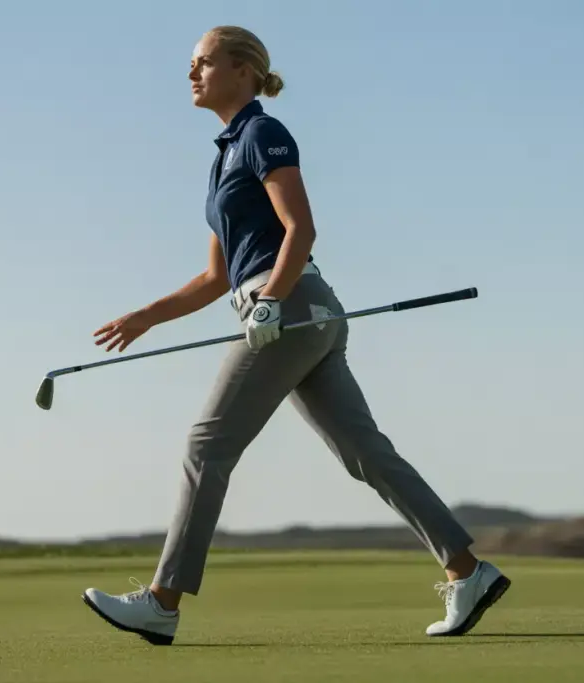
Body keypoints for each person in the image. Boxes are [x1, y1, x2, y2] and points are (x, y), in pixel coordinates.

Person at [80, 25, 510, 645]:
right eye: (191, 65)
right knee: (366, 453)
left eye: (203, 62)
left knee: (207, 446)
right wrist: (147, 315)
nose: (192, 73)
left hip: (289, 307)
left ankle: (162, 602)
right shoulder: (223, 156)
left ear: (244, 69)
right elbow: (215, 277)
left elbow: (300, 228)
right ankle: (466, 570)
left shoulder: (262, 133)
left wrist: (269, 303)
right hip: (294, 312)